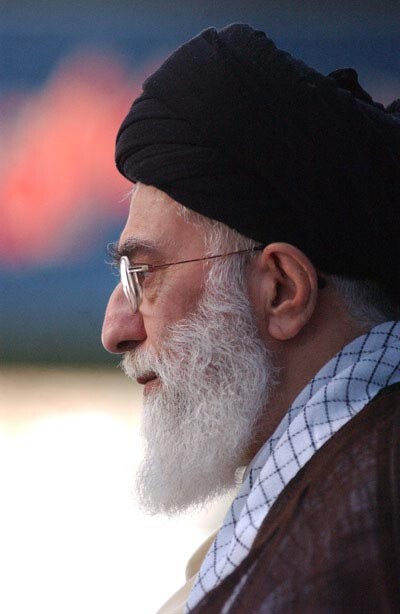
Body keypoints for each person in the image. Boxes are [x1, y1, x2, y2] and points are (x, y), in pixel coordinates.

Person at [101, 24, 400, 613]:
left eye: (145, 274)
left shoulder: (369, 518)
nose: (115, 329)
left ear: (281, 290)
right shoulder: (331, 492)